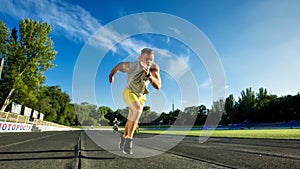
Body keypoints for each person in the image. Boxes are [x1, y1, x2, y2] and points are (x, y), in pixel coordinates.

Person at [109, 48, 161, 154]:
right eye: (146, 59)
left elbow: (158, 86)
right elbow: (117, 66)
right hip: (129, 91)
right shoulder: (131, 66)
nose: (148, 62)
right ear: (139, 58)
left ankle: (123, 137)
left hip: (141, 96)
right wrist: (111, 75)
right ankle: (129, 141)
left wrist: (149, 76)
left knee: (132, 119)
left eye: (150, 59)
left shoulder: (154, 68)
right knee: (137, 110)